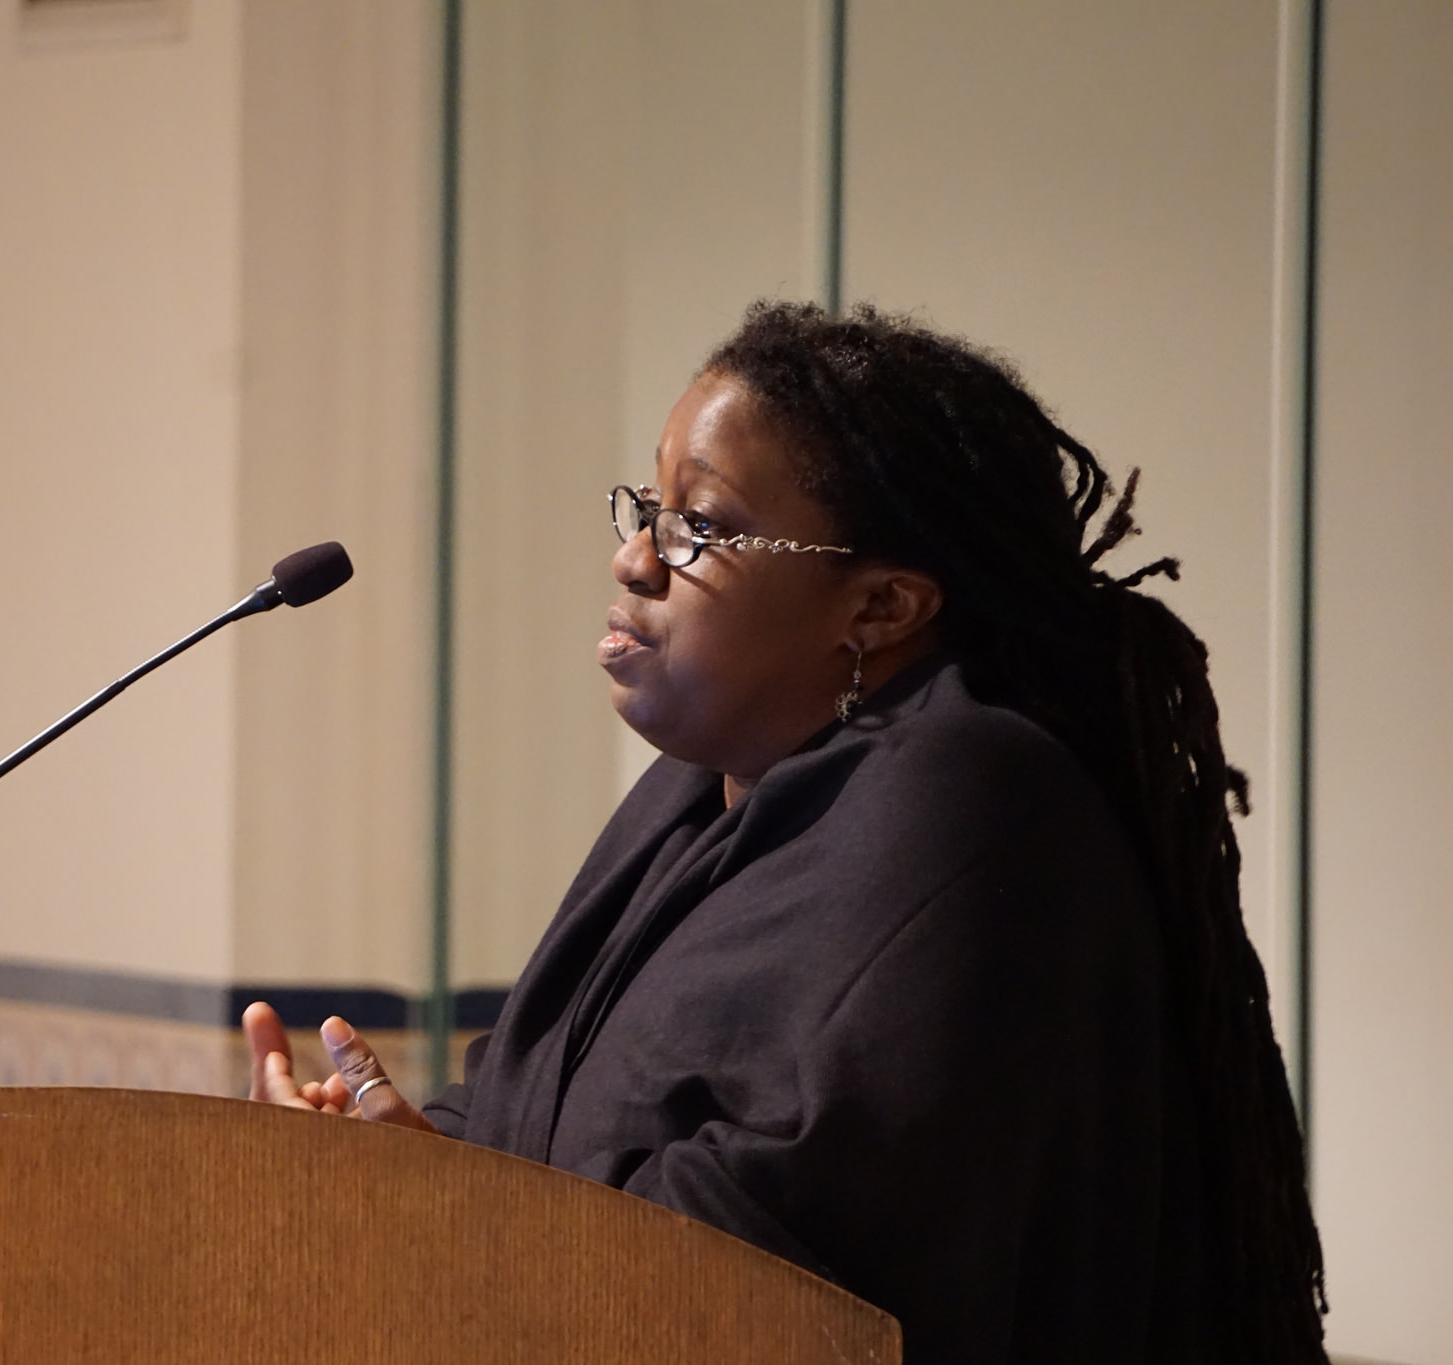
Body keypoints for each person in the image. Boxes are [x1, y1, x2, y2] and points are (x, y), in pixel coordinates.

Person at [242, 301, 1328, 1362]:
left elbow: (788, 1263)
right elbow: (524, 1109)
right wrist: (380, 1167)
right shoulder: (692, 800)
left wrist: (437, 1228)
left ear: (881, 609)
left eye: (699, 526)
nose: (635, 558)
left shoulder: (969, 802)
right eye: (644, 509)